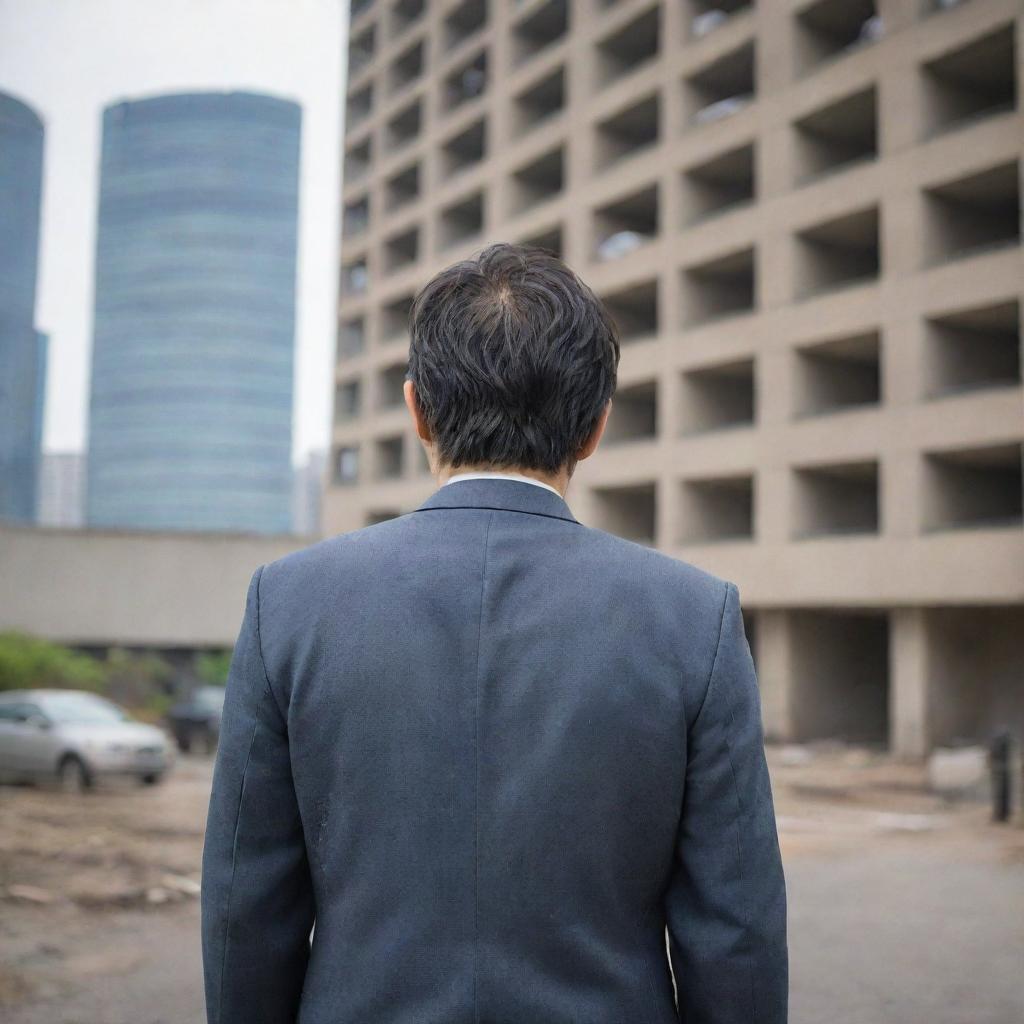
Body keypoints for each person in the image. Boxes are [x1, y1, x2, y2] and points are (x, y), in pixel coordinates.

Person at [200, 242, 788, 1023]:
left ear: (416, 410)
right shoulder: (694, 617)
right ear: (595, 427)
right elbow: (736, 931)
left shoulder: (291, 603)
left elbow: (247, 908)